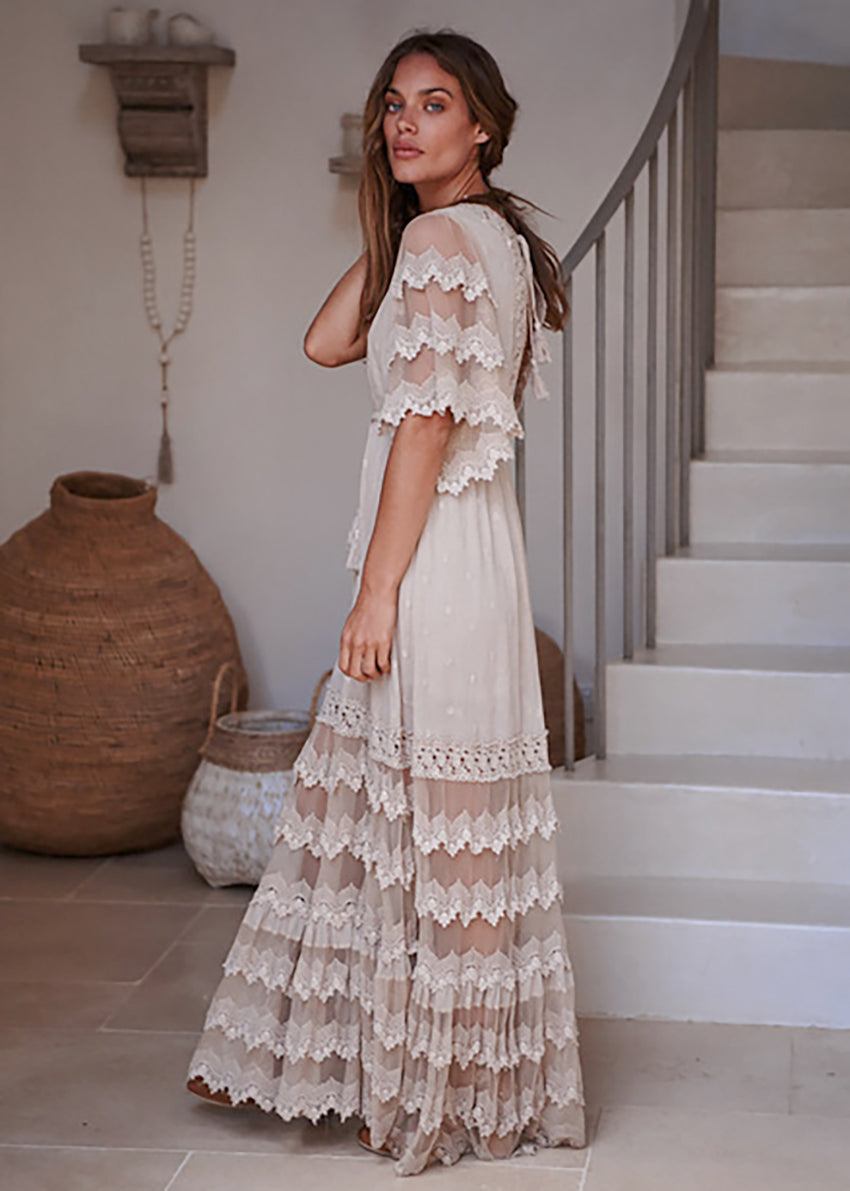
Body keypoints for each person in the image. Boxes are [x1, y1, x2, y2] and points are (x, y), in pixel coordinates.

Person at [185, 27, 586, 1177]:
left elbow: (422, 425)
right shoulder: (480, 239)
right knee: (440, 837)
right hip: (473, 560)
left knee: (433, 837)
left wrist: (375, 593)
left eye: (435, 105)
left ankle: (437, 1101)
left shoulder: (451, 240)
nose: (404, 122)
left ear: (483, 128)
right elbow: (325, 343)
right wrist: (395, 219)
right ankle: (457, 1087)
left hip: (429, 567)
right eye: (392, 106)